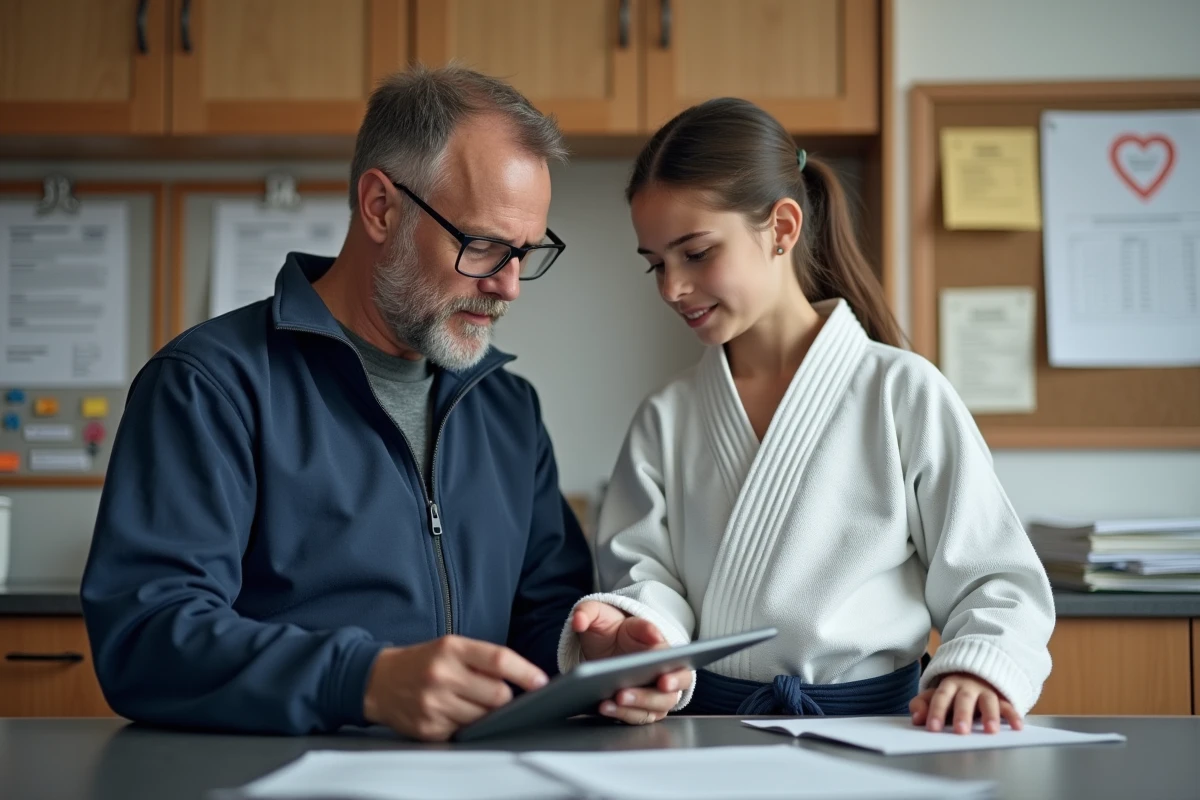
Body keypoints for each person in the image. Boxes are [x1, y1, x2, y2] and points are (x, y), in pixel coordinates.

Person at [81, 65, 684, 741]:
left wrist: (597, 656)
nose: (509, 287)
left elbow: (543, 619)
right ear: (380, 207)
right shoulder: (208, 386)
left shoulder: (506, 409)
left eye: (525, 251)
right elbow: (147, 638)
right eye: (483, 245)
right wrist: (363, 681)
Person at [562, 98, 1055, 734]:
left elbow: (996, 575)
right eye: (656, 263)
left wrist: (977, 668)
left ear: (783, 228)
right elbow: (647, 579)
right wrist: (640, 636)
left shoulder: (901, 392)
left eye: (697, 252)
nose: (671, 288)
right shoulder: (668, 417)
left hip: (879, 730)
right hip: (709, 737)